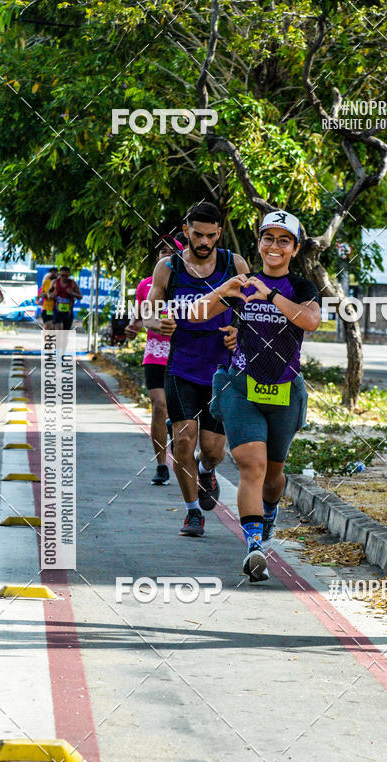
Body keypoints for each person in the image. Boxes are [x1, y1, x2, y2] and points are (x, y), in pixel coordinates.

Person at [188, 210, 321, 581]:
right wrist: (222, 291)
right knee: (252, 465)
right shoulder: (242, 284)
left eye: (283, 240)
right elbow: (195, 314)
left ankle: (270, 511)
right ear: (259, 243)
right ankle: (253, 545)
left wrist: (272, 294)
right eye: (268, 238)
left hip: (284, 390)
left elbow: (310, 321)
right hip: (241, 386)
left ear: (294, 249)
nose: (274, 246)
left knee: (274, 475)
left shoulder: (302, 288)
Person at [144, 202, 247, 537]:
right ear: (186, 230)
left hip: (221, 370)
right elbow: (145, 314)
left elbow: (253, 314)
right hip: (181, 367)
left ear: (219, 232)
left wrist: (238, 333)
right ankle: (192, 513)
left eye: (211, 235)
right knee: (184, 442)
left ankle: (207, 471)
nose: (204, 241)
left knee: (214, 450)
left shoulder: (235, 265)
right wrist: (159, 322)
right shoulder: (168, 267)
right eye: (197, 234)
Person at [125, 235, 182, 486]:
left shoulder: (190, 285)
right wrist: (133, 326)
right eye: (162, 252)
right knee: (159, 406)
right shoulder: (146, 285)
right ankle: (161, 464)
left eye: (172, 252)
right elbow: (140, 317)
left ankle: (193, 463)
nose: (166, 256)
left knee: (182, 415)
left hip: (184, 356)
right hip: (155, 354)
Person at [49, 266, 82, 330]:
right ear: (59, 274)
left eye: (66, 275)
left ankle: (63, 340)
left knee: (65, 333)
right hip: (57, 311)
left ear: (69, 275)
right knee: (58, 329)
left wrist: (73, 293)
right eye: (62, 275)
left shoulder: (73, 283)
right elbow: (49, 292)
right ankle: (58, 339)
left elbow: (80, 296)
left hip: (68, 312)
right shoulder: (55, 282)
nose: (64, 277)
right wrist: (51, 295)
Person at [39, 265, 58, 330]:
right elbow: (41, 293)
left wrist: (53, 296)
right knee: (47, 327)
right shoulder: (46, 282)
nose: (53, 273)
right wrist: (44, 295)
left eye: (55, 272)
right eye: (51, 272)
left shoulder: (59, 283)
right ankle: (47, 339)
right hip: (46, 308)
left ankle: (54, 339)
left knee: (54, 327)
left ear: (57, 273)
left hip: (56, 309)